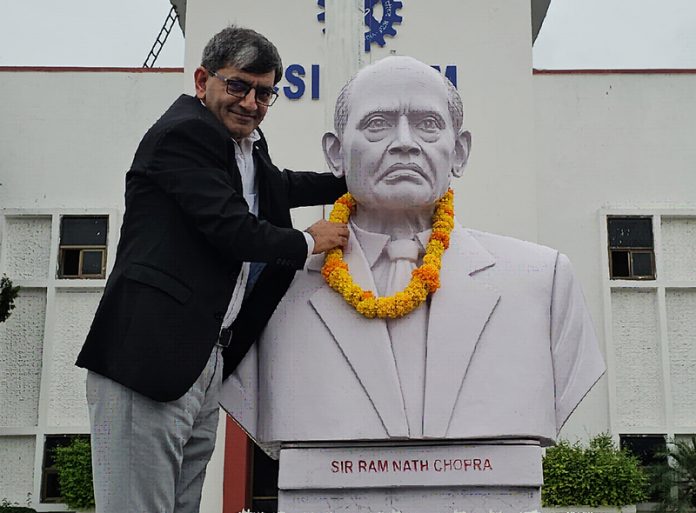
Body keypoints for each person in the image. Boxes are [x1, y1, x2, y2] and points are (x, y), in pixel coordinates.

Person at [222, 56, 605, 448]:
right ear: (335, 154)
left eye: (428, 125)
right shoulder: (272, 285)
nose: (405, 143)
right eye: (377, 124)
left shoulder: (545, 281)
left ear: (459, 151)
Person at [76, 26, 348, 512]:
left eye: (265, 92)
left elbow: (280, 186)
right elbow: (231, 228)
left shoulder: (246, 146)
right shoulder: (185, 133)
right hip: (149, 356)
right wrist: (309, 240)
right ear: (203, 80)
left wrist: (356, 183)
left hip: (204, 358)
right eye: (238, 85)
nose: (250, 102)